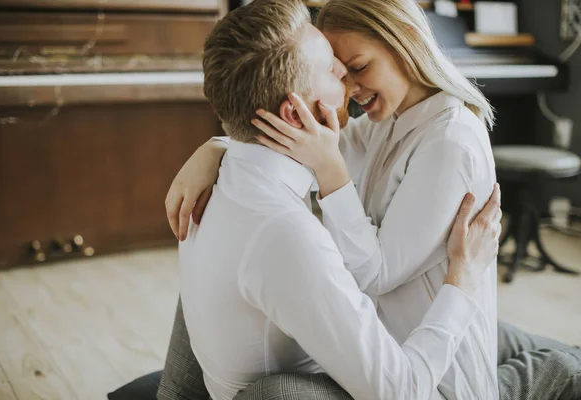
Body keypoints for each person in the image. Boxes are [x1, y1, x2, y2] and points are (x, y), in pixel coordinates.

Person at [163, 1, 581, 399]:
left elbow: (373, 273)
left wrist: (463, 282)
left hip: (436, 366)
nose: (345, 79)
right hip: (396, 334)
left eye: (357, 66)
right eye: (334, 68)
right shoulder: (386, 124)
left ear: (407, 39)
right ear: (296, 113)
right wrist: (220, 146)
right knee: (529, 346)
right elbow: (297, 143)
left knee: (559, 364)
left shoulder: (449, 139)